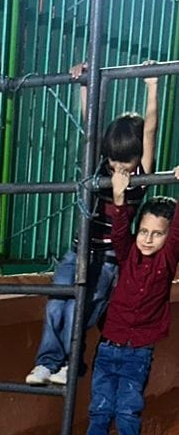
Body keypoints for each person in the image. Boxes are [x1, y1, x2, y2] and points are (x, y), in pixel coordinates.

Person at [25, 65, 159, 386]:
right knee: (57, 303)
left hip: (108, 258)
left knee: (80, 310)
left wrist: (152, 86)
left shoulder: (140, 175)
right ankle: (46, 363)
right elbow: (91, 123)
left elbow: (150, 130)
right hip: (79, 250)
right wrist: (84, 84)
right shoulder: (103, 164)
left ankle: (71, 363)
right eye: (113, 159)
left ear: (137, 158)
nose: (117, 166)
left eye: (124, 161)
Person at [73, 167, 179, 435]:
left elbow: (177, 233)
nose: (147, 238)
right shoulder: (128, 254)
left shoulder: (166, 261)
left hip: (138, 352)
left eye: (157, 234)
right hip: (108, 347)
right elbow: (119, 232)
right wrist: (119, 196)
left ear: (167, 238)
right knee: (100, 408)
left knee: (128, 411)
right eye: (143, 231)